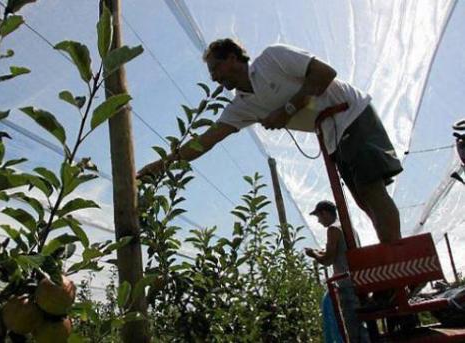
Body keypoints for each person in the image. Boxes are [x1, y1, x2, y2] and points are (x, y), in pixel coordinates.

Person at [137, 38, 403, 244]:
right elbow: (206, 141)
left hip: (352, 113)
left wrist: (286, 110)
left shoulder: (272, 59)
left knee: (371, 191)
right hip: (332, 135)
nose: (214, 77)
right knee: (362, 200)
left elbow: (325, 73)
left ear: (232, 57)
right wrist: (160, 166)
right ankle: (394, 267)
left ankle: (399, 266)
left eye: (216, 67)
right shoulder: (242, 105)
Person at [305, 200, 370, 343]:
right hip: (357, 281)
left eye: (319, 217)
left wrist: (313, 254)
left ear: (325, 213)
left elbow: (328, 259)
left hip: (346, 284)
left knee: (353, 328)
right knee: (362, 326)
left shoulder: (333, 229)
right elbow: (338, 252)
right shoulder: (348, 228)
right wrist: (319, 252)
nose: (319, 221)